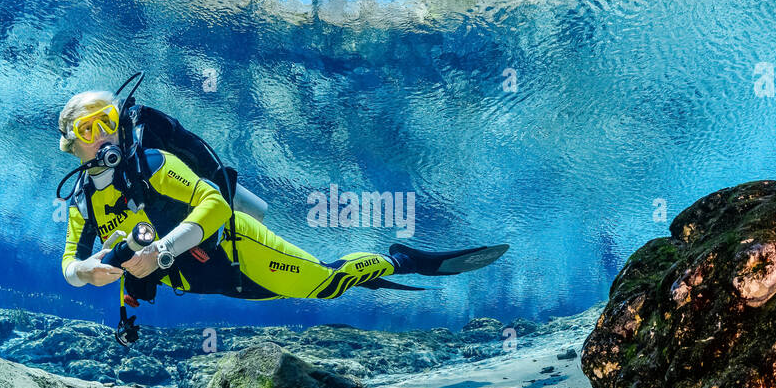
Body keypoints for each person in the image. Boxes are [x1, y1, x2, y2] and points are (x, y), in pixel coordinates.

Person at [57, 90, 506, 330]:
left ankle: (406, 259)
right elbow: (70, 265)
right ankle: (372, 269)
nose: (104, 135)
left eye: (109, 122)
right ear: (72, 144)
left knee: (325, 285)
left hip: (237, 250)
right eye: (88, 129)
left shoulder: (151, 165)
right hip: (209, 279)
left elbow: (213, 201)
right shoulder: (83, 201)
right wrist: (89, 271)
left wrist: (162, 252)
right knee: (308, 286)